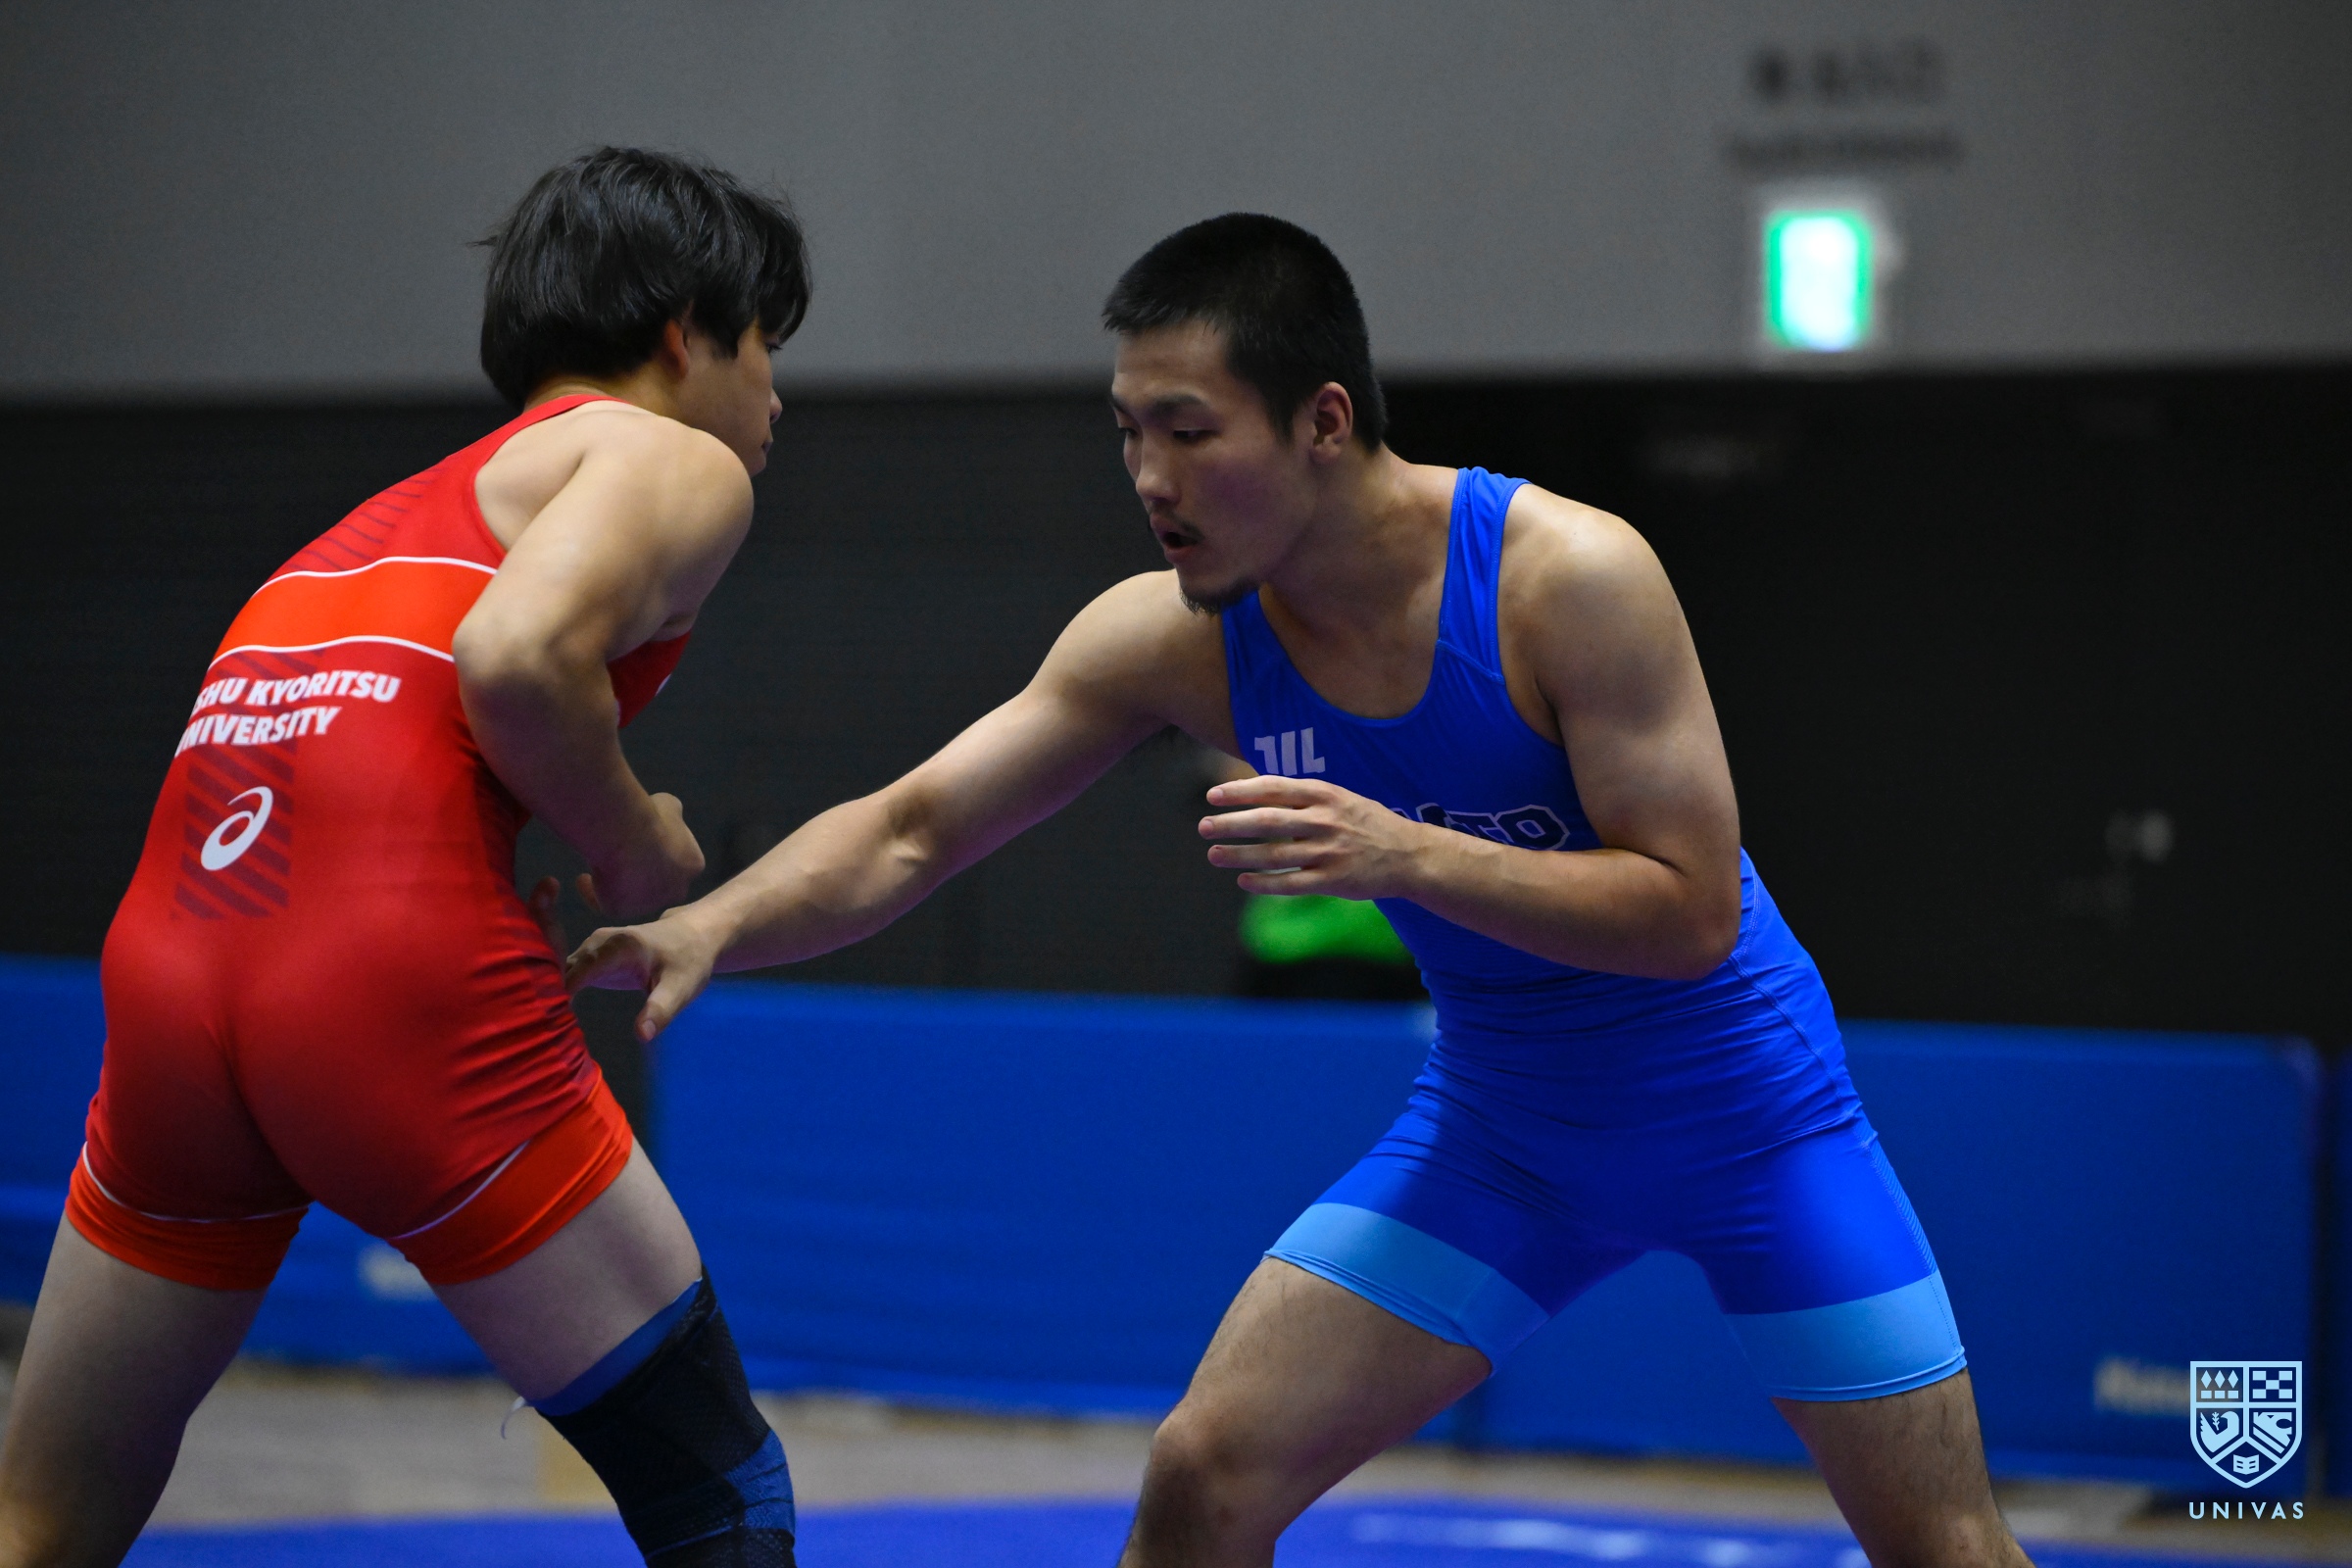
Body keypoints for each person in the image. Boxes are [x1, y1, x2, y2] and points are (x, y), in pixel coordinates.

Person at [566, 214, 2033, 1568]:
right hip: (1506, 1141)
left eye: (1190, 432)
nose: (1151, 479)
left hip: (1755, 1128)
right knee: (1203, 1479)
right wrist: (714, 924)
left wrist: (1407, 854)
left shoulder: (1570, 579)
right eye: (1129, 433)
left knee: (1947, 1552)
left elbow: (1691, 912)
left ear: (1324, 421)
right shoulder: (1175, 639)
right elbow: (913, 829)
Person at [0, 149, 805, 1567]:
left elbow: (364, 750)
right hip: (387, 982)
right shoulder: (664, 453)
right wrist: (634, 845)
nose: (777, 401)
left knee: (41, 1519)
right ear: (686, 335)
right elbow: (516, 657)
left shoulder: (361, 530)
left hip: (175, 974)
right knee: (720, 1496)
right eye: (767, 349)